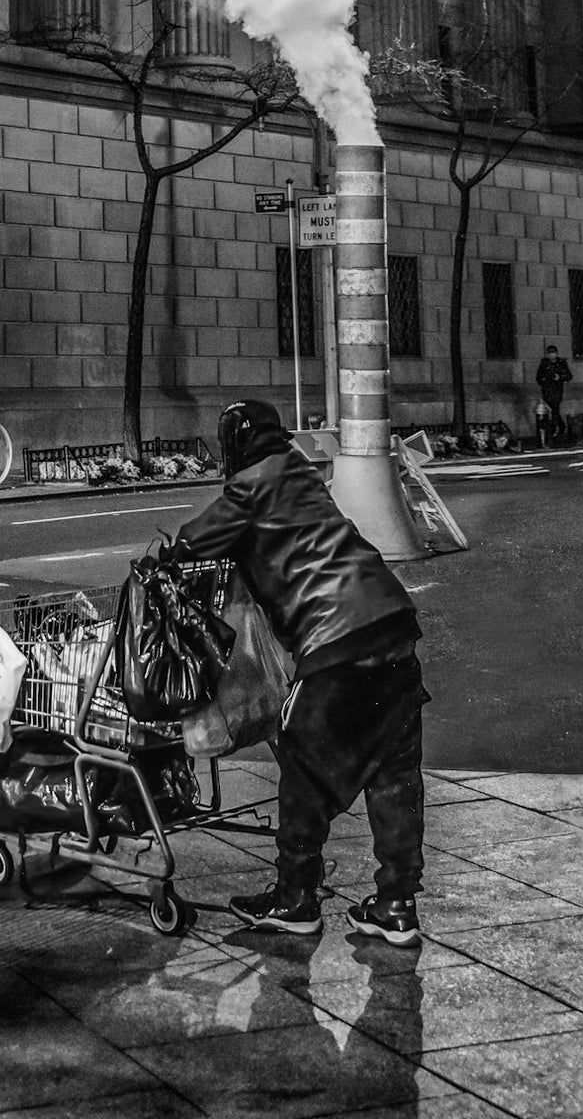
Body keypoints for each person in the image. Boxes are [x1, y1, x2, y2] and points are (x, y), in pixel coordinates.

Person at [174, 398, 428, 946]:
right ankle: (396, 903)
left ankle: (295, 898)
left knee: (303, 763)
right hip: (393, 624)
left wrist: (163, 560)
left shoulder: (252, 485)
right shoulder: (301, 476)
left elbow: (193, 542)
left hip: (337, 640)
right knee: (393, 773)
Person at [535, 345, 573, 444]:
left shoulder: (561, 363)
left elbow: (568, 376)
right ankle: (557, 428)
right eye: (549, 353)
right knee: (549, 411)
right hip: (547, 390)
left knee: (555, 410)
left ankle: (555, 429)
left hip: (557, 390)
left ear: (556, 353)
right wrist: (544, 380)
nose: (551, 355)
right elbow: (539, 377)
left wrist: (559, 377)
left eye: (553, 352)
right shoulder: (544, 363)